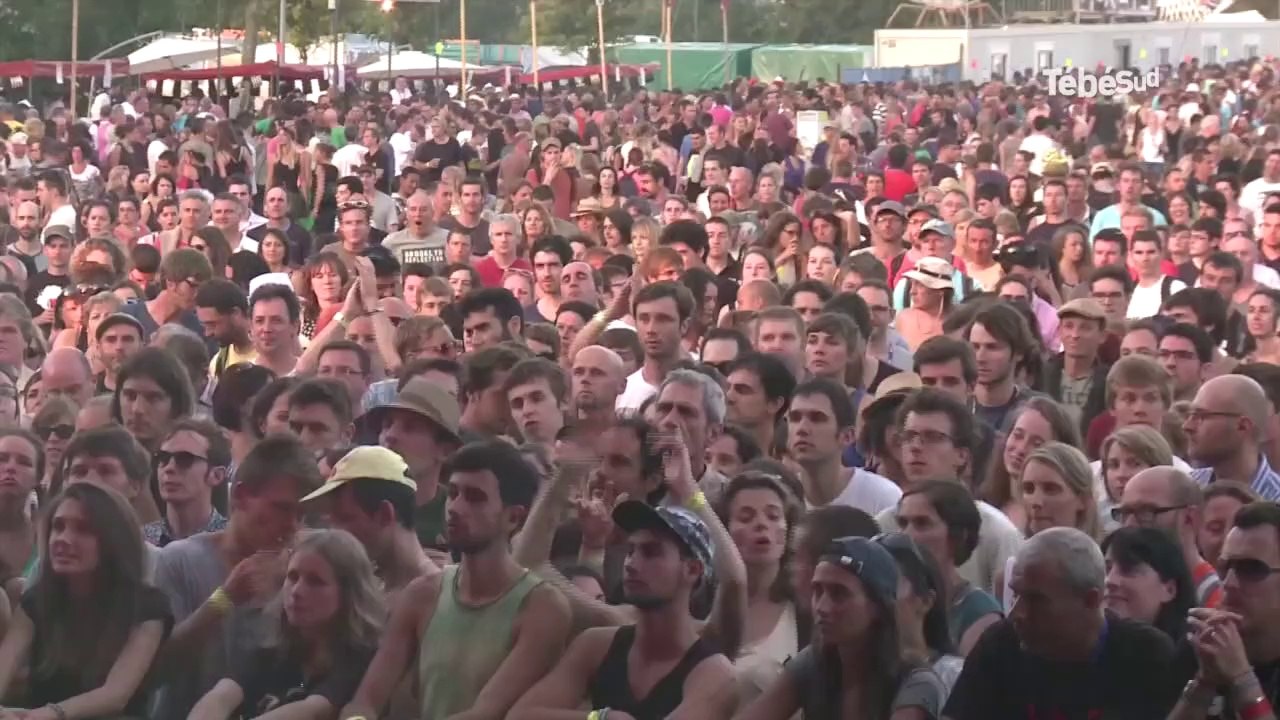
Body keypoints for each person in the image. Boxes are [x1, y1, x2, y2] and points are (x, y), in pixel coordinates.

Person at [340, 440, 571, 720]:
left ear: (513, 517)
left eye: (475, 497)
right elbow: (366, 700)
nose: (455, 507)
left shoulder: (542, 608)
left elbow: (486, 713)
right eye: (453, 493)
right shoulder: (422, 595)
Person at [151, 434, 323, 718]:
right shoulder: (180, 560)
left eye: (301, 514)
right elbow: (155, 669)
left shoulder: (304, 570)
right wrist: (224, 600)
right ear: (241, 496)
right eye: (281, 508)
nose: (292, 525)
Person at [943, 527, 1180, 720]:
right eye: (1016, 595)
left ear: (1091, 600)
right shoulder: (1000, 644)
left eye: (1036, 600)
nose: (1017, 614)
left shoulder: (1144, 654)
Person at [0, 483, 172, 719]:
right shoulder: (37, 600)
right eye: (58, 527)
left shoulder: (147, 607)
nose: (63, 539)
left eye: (83, 529)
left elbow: (115, 696)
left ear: (114, 541)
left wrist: (46, 714)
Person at [740, 535, 947, 720]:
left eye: (839, 594)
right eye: (817, 591)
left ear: (878, 606)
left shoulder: (915, 683)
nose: (822, 607)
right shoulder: (813, 663)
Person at [186, 529, 384, 720]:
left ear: (349, 594)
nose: (296, 591)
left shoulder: (362, 661)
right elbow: (221, 696)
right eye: (293, 577)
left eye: (315, 581)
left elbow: (313, 711)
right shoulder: (272, 652)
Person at [1167, 501, 1280, 720]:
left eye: (1251, 569)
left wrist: (1242, 679)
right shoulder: (1201, 645)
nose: (1229, 583)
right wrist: (1204, 682)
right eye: (1224, 567)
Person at [301, 446, 439, 594]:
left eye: (344, 518)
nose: (333, 532)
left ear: (385, 515)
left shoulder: (439, 596)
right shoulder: (367, 592)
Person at [896, 480, 1003, 657]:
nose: (907, 534)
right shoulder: (893, 598)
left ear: (958, 536)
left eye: (922, 523)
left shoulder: (978, 612)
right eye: (902, 523)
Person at [789, 378, 901, 516]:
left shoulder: (883, 497)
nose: (802, 428)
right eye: (795, 418)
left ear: (848, 436)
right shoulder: (779, 497)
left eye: (817, 418)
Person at [877, 532, 967, 693]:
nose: (876, 598)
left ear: (925, 601)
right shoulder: (846, 676)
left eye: (889, 586)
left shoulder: (955, 677)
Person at [1185, 374, 1280, 501]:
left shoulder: (1275, 501)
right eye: (1190, 415)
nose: (1187, 426)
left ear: (1243, 426)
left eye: (1201, 416)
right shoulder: (1185, 489)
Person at [1100, 526, 1196, 642]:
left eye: (1128, 569)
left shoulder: (1196, 654)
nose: (1109, 580)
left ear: (1169, 589)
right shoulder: (1079, 651)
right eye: (1106, 569)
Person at [146, 419, 230, 548]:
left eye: (185, 459)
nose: (169, 468)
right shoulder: (141, 542)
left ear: (216, 475)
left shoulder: (232, 543)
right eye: (163, 458)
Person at [616, 281, 695, 415]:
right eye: (644, 319)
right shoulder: (622, 391)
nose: (651, 329)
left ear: (684, 325)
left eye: (663, 319)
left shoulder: (705, 387)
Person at [725, 352, 796, 460]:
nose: (729, 396)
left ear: (775, 404)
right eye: (727, 387)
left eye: (742, 390)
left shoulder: (791, 467)